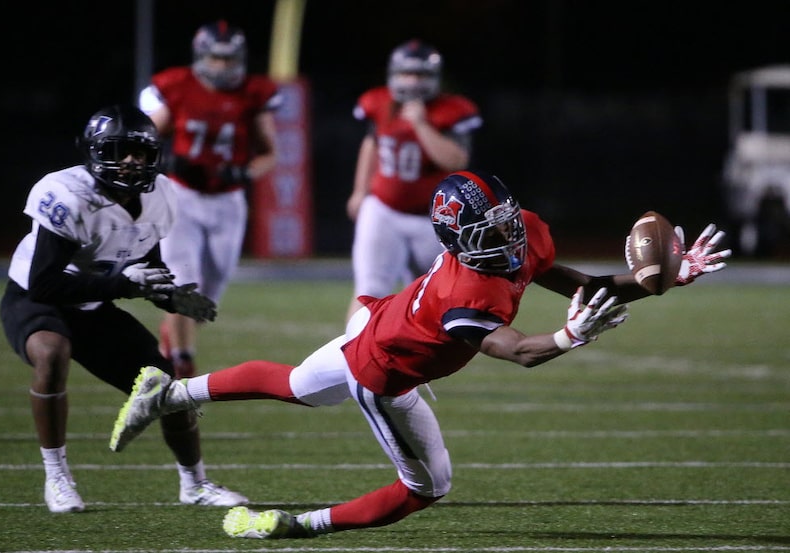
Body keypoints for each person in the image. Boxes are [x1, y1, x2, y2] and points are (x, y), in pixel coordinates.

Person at [109, 170, 731, 538]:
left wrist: (663, 280)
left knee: (296, 383)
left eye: (509, 221)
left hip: (379, 319)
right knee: (427, 488)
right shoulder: (466, 293)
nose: (511, 238)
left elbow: (574, 284)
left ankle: (165, 393)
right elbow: (517, 351)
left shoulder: (524, 235)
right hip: (384, 370)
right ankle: (293, 526)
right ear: (460, 242)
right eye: (492, 232)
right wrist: (571, 337)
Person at [0, 104, 249, 513]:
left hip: (94, 305)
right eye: (119, 150)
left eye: (141, 152)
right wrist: (124, 285)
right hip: (36, 299)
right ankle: (57, 477)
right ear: (95, 153)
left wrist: (172, 296)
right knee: (51, 351)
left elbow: (148, 262)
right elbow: (45, 283)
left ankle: (195, 484)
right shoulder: (67, 194)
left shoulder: (160, 197)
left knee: (167, 386)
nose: (132, 161)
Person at [138, 19, 282, 377]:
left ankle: (172, 336)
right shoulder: (179, 86)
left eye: (228, 59)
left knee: (208, 297)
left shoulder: (253, 93)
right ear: (202, 56)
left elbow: (269, 153)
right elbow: (144, 137)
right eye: (216, 58)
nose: (222, 66)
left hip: (227, 201)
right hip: (182, 196)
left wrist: (244, 172)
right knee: (184, 281)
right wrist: (164, 160)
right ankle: (182, 361)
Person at [345, 39, 483, 322]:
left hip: (435, 219)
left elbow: (456, 161)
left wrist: (420, 124)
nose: (412, 81)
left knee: (437, 293)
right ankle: (352, 353)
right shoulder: (379, 102)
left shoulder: (451, 109)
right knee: (369, 290)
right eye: (407, 74)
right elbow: (371, 143)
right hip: (383, 209)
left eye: (420, 75)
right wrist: (360, 190)